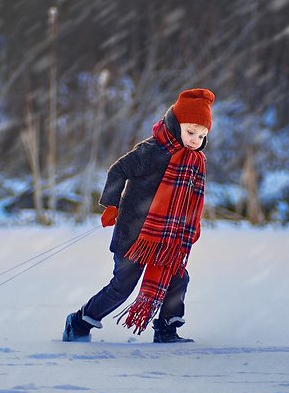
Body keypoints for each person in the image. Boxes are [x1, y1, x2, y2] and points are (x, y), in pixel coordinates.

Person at [62, 88, 215, 343]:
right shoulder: (153, 151)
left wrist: (192, 225)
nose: (194, 140)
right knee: (122, 286)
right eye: (190, 132)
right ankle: (78, 322)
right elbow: (118, 170)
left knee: (177, 277)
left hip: (165, 240)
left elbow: (189, 200)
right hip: (133, 235)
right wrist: (111, 204)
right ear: (176, 124)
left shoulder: (193, 162)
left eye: (201, 136)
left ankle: (166, 329)